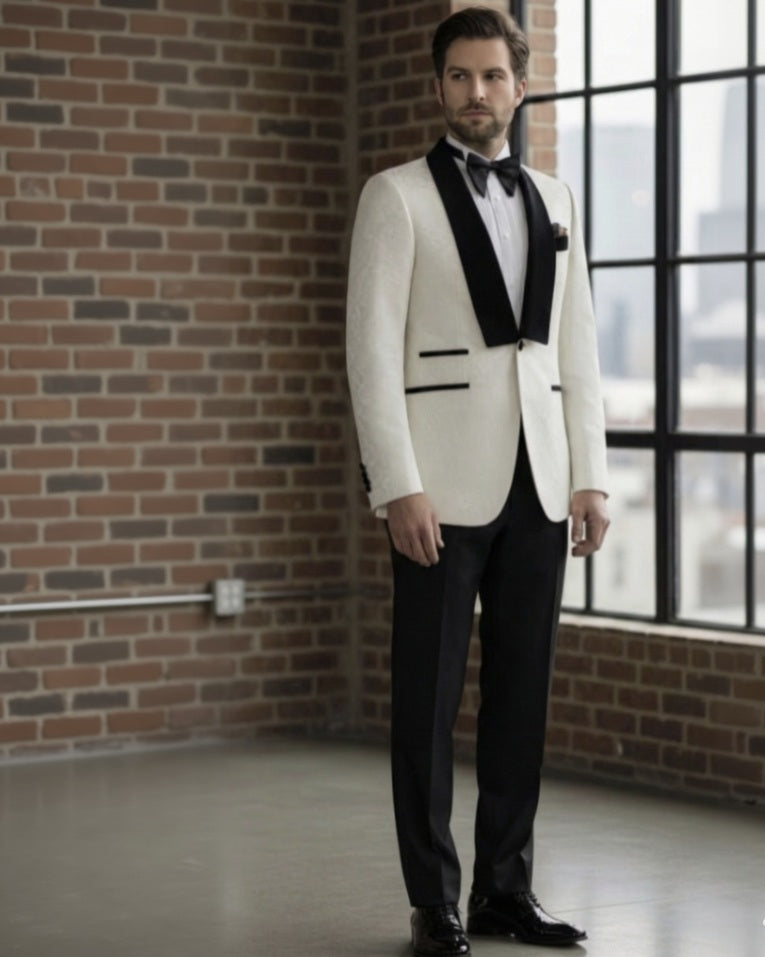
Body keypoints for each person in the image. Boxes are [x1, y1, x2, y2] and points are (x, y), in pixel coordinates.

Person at [346, 7, 609, 955]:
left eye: (491, 76)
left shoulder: (557, 196)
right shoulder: (396, 195)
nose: (474, 94)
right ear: (438, 87)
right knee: (426, 699)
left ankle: (506, 889)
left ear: (518, 85)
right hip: (439, 490)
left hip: (541, 484)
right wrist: (395, 483)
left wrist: (592, 476)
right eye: (457, 77)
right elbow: (370, 353)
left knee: (521, 696)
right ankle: (434, 902)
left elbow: (574, 343)